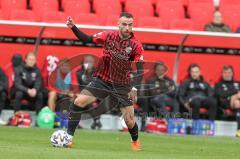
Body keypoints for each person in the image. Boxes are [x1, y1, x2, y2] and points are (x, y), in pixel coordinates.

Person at [65, 12, 144, 151]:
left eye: (130, 25)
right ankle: (68, 138)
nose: (127, 27)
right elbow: (87, 39)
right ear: (118, 24)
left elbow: (140, 69)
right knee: (78, 102)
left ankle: (135, 141)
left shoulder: (136, 45)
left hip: (122, 85)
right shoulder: (108, 36)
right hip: (101, 80)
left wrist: (135, 88)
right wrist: (73, 27)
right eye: (124, 24)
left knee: (129, 121)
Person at [215, 65, 240, 137]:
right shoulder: (219, 84)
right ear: (222, 74)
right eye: (225, 73)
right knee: (237, 102)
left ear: (232, 73)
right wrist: (234, 95)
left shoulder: (238, 83)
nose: (227, 75)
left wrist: (236, 96)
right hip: (225, 103)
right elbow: (220, 94)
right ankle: (239, 130)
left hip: (237, 102)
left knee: (237, 103)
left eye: (229, 73)